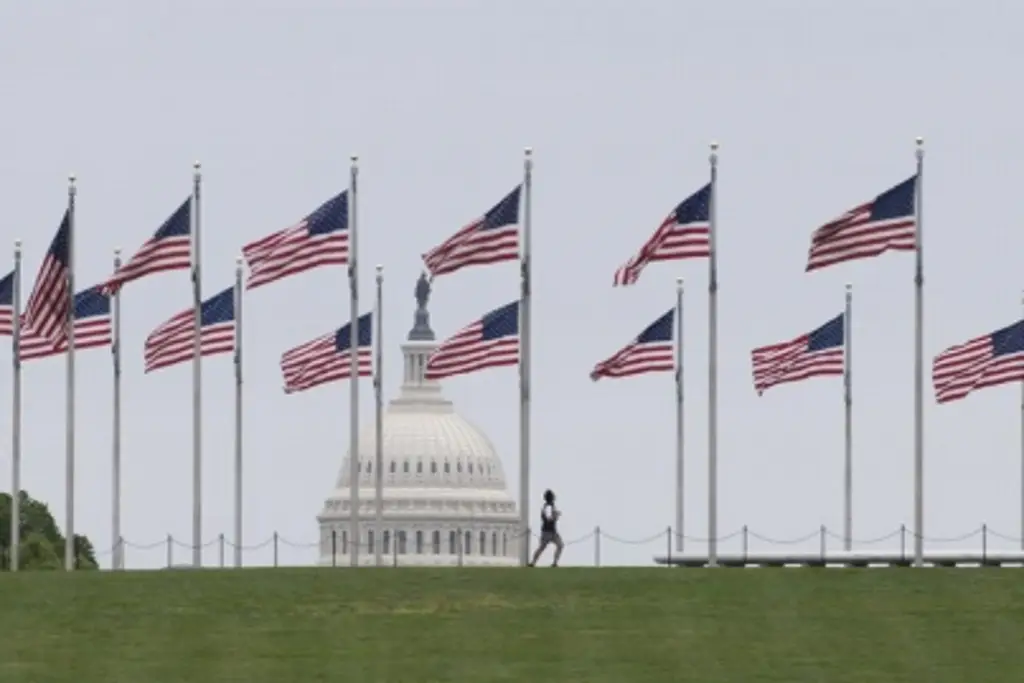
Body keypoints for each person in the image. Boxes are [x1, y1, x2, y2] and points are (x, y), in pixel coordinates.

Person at [528, 489, 563, 567]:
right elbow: (549, 519)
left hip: (550, 531)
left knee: (545, 547)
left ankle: (535, 562)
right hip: (548, 532)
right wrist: (556, 515)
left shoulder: (548, 506)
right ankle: (534, 562)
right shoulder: (548, 507)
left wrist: (556, 515)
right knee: (544, 547)